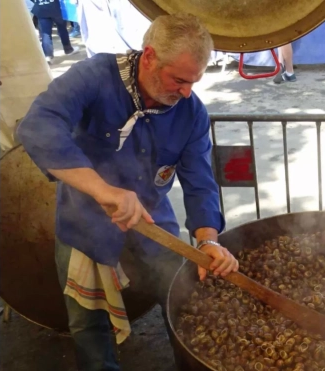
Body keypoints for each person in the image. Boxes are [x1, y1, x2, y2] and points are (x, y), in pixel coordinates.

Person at [17, 13, 239, 370]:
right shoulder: (96, 77)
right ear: (149, 57)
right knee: (87, 324)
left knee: (182, 304)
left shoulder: (192, 113)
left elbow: (200, 181)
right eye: (179, 80)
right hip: (84, 228)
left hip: (155, 232)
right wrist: (104, 190)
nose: (186, 93)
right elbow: (38, 124)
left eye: (193, 82)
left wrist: (208, 239)